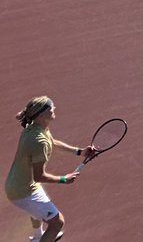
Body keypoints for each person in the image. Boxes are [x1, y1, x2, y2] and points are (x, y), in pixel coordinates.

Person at [6, 96, 97, 242]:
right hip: (23, 192)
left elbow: (52, 143)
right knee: (57, 223)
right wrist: (63, 179)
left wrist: (79, 151)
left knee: (38, 210)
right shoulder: (39, 141)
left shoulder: (35, 128)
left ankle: (37, 237)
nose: (54, 109)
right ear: (41, 114)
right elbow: (39, 176)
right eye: (51, 108)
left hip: (18, 183)